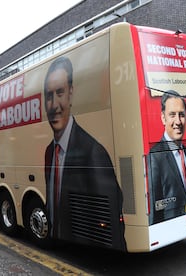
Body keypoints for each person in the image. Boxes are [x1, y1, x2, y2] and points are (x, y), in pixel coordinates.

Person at [44, 56, 126, 250]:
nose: (54, 104)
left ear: (71, 94)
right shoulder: (49, 152)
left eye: (60, 93)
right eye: (49, 96)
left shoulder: (93, 152)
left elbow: (112, 224)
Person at [147, 90, 186, 224]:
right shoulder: (155, 156)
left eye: (181, 115)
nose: (178, 121)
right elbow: (154, 206)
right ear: (163, 118)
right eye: (172, 115)